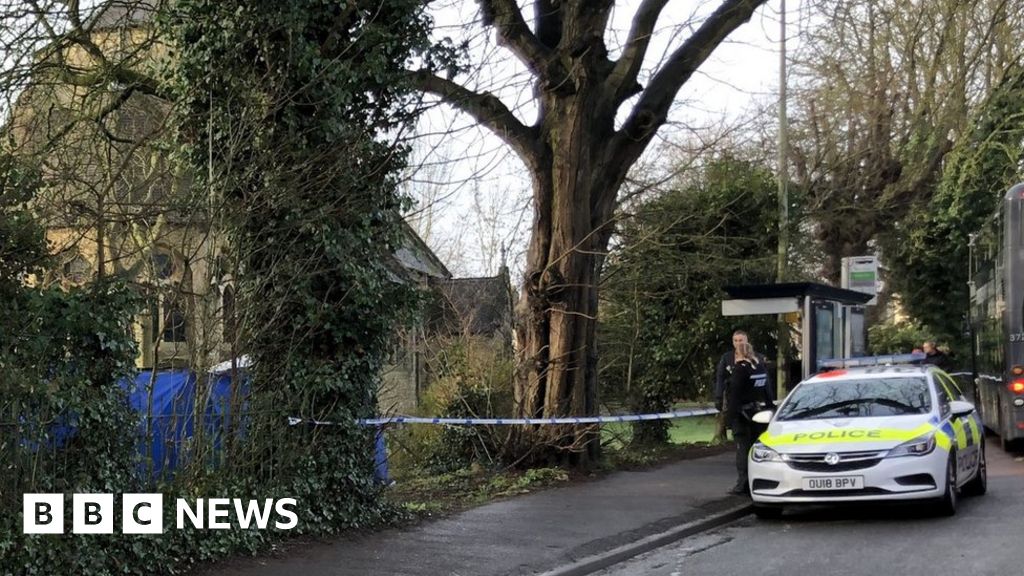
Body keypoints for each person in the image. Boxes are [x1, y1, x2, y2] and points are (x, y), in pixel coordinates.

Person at [726, 342, 772, 496]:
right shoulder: (759, 368)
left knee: (742, 449)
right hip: (757, 411)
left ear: (738, 354)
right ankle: (756, 480)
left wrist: (729, 419)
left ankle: (742, 484)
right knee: (755, 448)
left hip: (742, 415)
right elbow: (766, 390)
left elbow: (735, 396)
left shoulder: (740, 370)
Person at [714, 330, 773, 412]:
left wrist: (769, 401)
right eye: (735, 340)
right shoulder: (726, 358)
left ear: (746, 341)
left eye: (741, 340)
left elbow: (765, 380)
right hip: (734, 399)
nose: (738, 343)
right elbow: (720, 377)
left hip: (753, 400)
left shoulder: (758, 358)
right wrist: (719, 396)